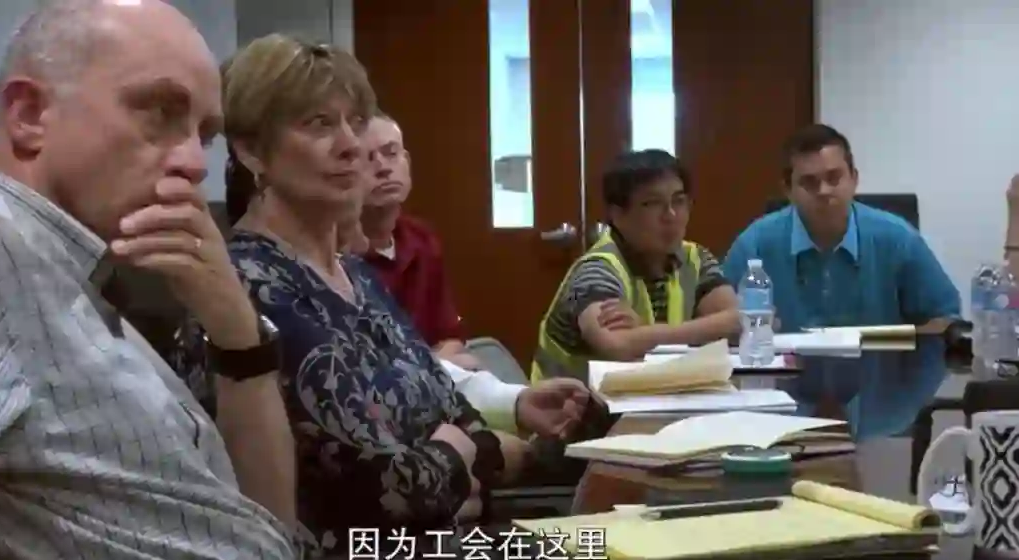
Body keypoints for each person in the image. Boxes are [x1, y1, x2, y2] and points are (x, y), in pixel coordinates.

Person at [0, 1, 298, 560]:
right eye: (159, 112)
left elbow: (268, 528)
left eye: (205, 135)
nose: (195, 163)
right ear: (29, 115)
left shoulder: (72, 271)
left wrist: (236, 329)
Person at [220, 34, 531, 553]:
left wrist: (447, 462)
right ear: (251, 149)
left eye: (356, 122)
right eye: (319, 123)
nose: (352, 146)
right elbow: (386, 492)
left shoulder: (355, 274)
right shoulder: (245, 286)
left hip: (449, 555)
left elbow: (463, 417)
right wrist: (451, 466)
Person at [338, 167, 598, 439]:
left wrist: (517, 402)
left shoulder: (407, 246)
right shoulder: (333, 286)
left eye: (391, 152)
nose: (382, 168)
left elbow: (444, 342)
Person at [723, 124, 960, 332]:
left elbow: (944, 318)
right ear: (788, 190)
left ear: (854, 179)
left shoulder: (898, 239)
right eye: (809, 182)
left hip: (877, 369)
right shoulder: (754, 245)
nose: (824, 191)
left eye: (834, 178)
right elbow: (722, 322)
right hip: (784, 370)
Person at [531, 149, 740, 382]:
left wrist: (644, 333)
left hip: (657, 394)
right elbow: (617, 346)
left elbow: (738, 321)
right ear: (618, 215)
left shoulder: (695, 258)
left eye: (679, 201)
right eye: (652, 204)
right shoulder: (597, 270)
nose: (671, 215)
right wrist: (697, 332)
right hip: (572, 402)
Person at [359, 113, 483, 370]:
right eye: (366, 158)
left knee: (472, 364)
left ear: (407, 162)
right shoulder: (334, 255)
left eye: (391, 153)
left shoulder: (422, 239)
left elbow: (449, 337)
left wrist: (433, 369)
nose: (383, 168)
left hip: (426, 380)